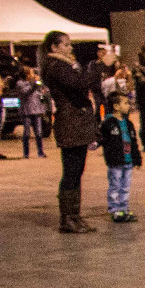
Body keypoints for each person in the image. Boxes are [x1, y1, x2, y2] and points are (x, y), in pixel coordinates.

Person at [41, 31, 117, 233]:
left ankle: (74, 216)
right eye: (65, 45)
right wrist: (101, 65)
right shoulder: (56, 66)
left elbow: (82, 81)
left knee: (76, 171)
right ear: (54, 47)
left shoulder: (63, 65)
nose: (70, 48)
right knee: (72, 171)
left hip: (76, 122)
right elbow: (81, 83)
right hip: (70, 123)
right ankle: (68, 218)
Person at [99, 90, 142, 223]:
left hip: (127, 161)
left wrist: (137, 158)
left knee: (125, 186)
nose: (128, 106)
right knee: (115, 185)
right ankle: (115, 209)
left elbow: (133, 142)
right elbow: (102, 139)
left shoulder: (128, 124)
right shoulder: (108, 123)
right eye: (125, 103)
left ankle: (124, 207)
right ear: (116, 106)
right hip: (115, 161)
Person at [15, 64, 48, 158]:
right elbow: (26, 92)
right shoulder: (20, 83)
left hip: (36, 110)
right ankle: (26, 153)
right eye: (31, 73)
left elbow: (40, 94)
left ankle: (40, 152)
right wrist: (34, 84)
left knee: (38, 132)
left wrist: (43, 101)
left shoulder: (35, 83)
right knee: (26, 133)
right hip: (26, 111)